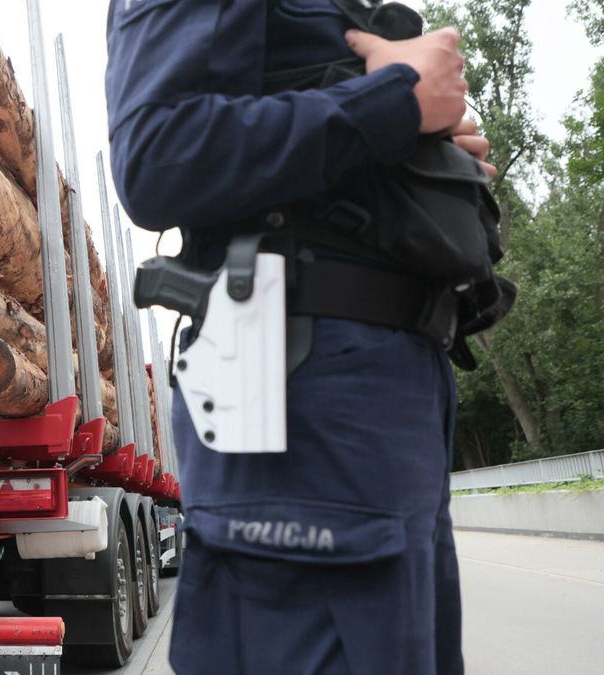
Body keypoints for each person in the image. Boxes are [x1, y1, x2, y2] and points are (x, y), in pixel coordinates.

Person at [106, 1, 505, 673]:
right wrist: (395, 102)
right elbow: (159, 155)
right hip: (303, 399)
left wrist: (417, 142)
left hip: (378, 399)